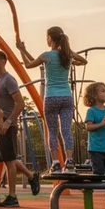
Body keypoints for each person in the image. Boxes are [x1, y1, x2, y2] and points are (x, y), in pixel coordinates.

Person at [20, 26, 87, 173]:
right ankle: (69, 162)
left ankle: (56, 163)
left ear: (50, 38)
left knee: (52, 131)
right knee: (66, 130)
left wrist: (21, 50)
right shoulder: (67, 55)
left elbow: (29, 64)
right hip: (66, 97)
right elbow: (84, 61)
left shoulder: (46, 55)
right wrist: (73, 60)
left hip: (51, 97)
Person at [0, 50, 39, 207]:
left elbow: (20, 104)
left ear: (2, 61)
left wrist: (8, 122)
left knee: (9, 161)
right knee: (2, 159)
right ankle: (30, 176)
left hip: (7, 124)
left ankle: (13, 196)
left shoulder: (9, 80)